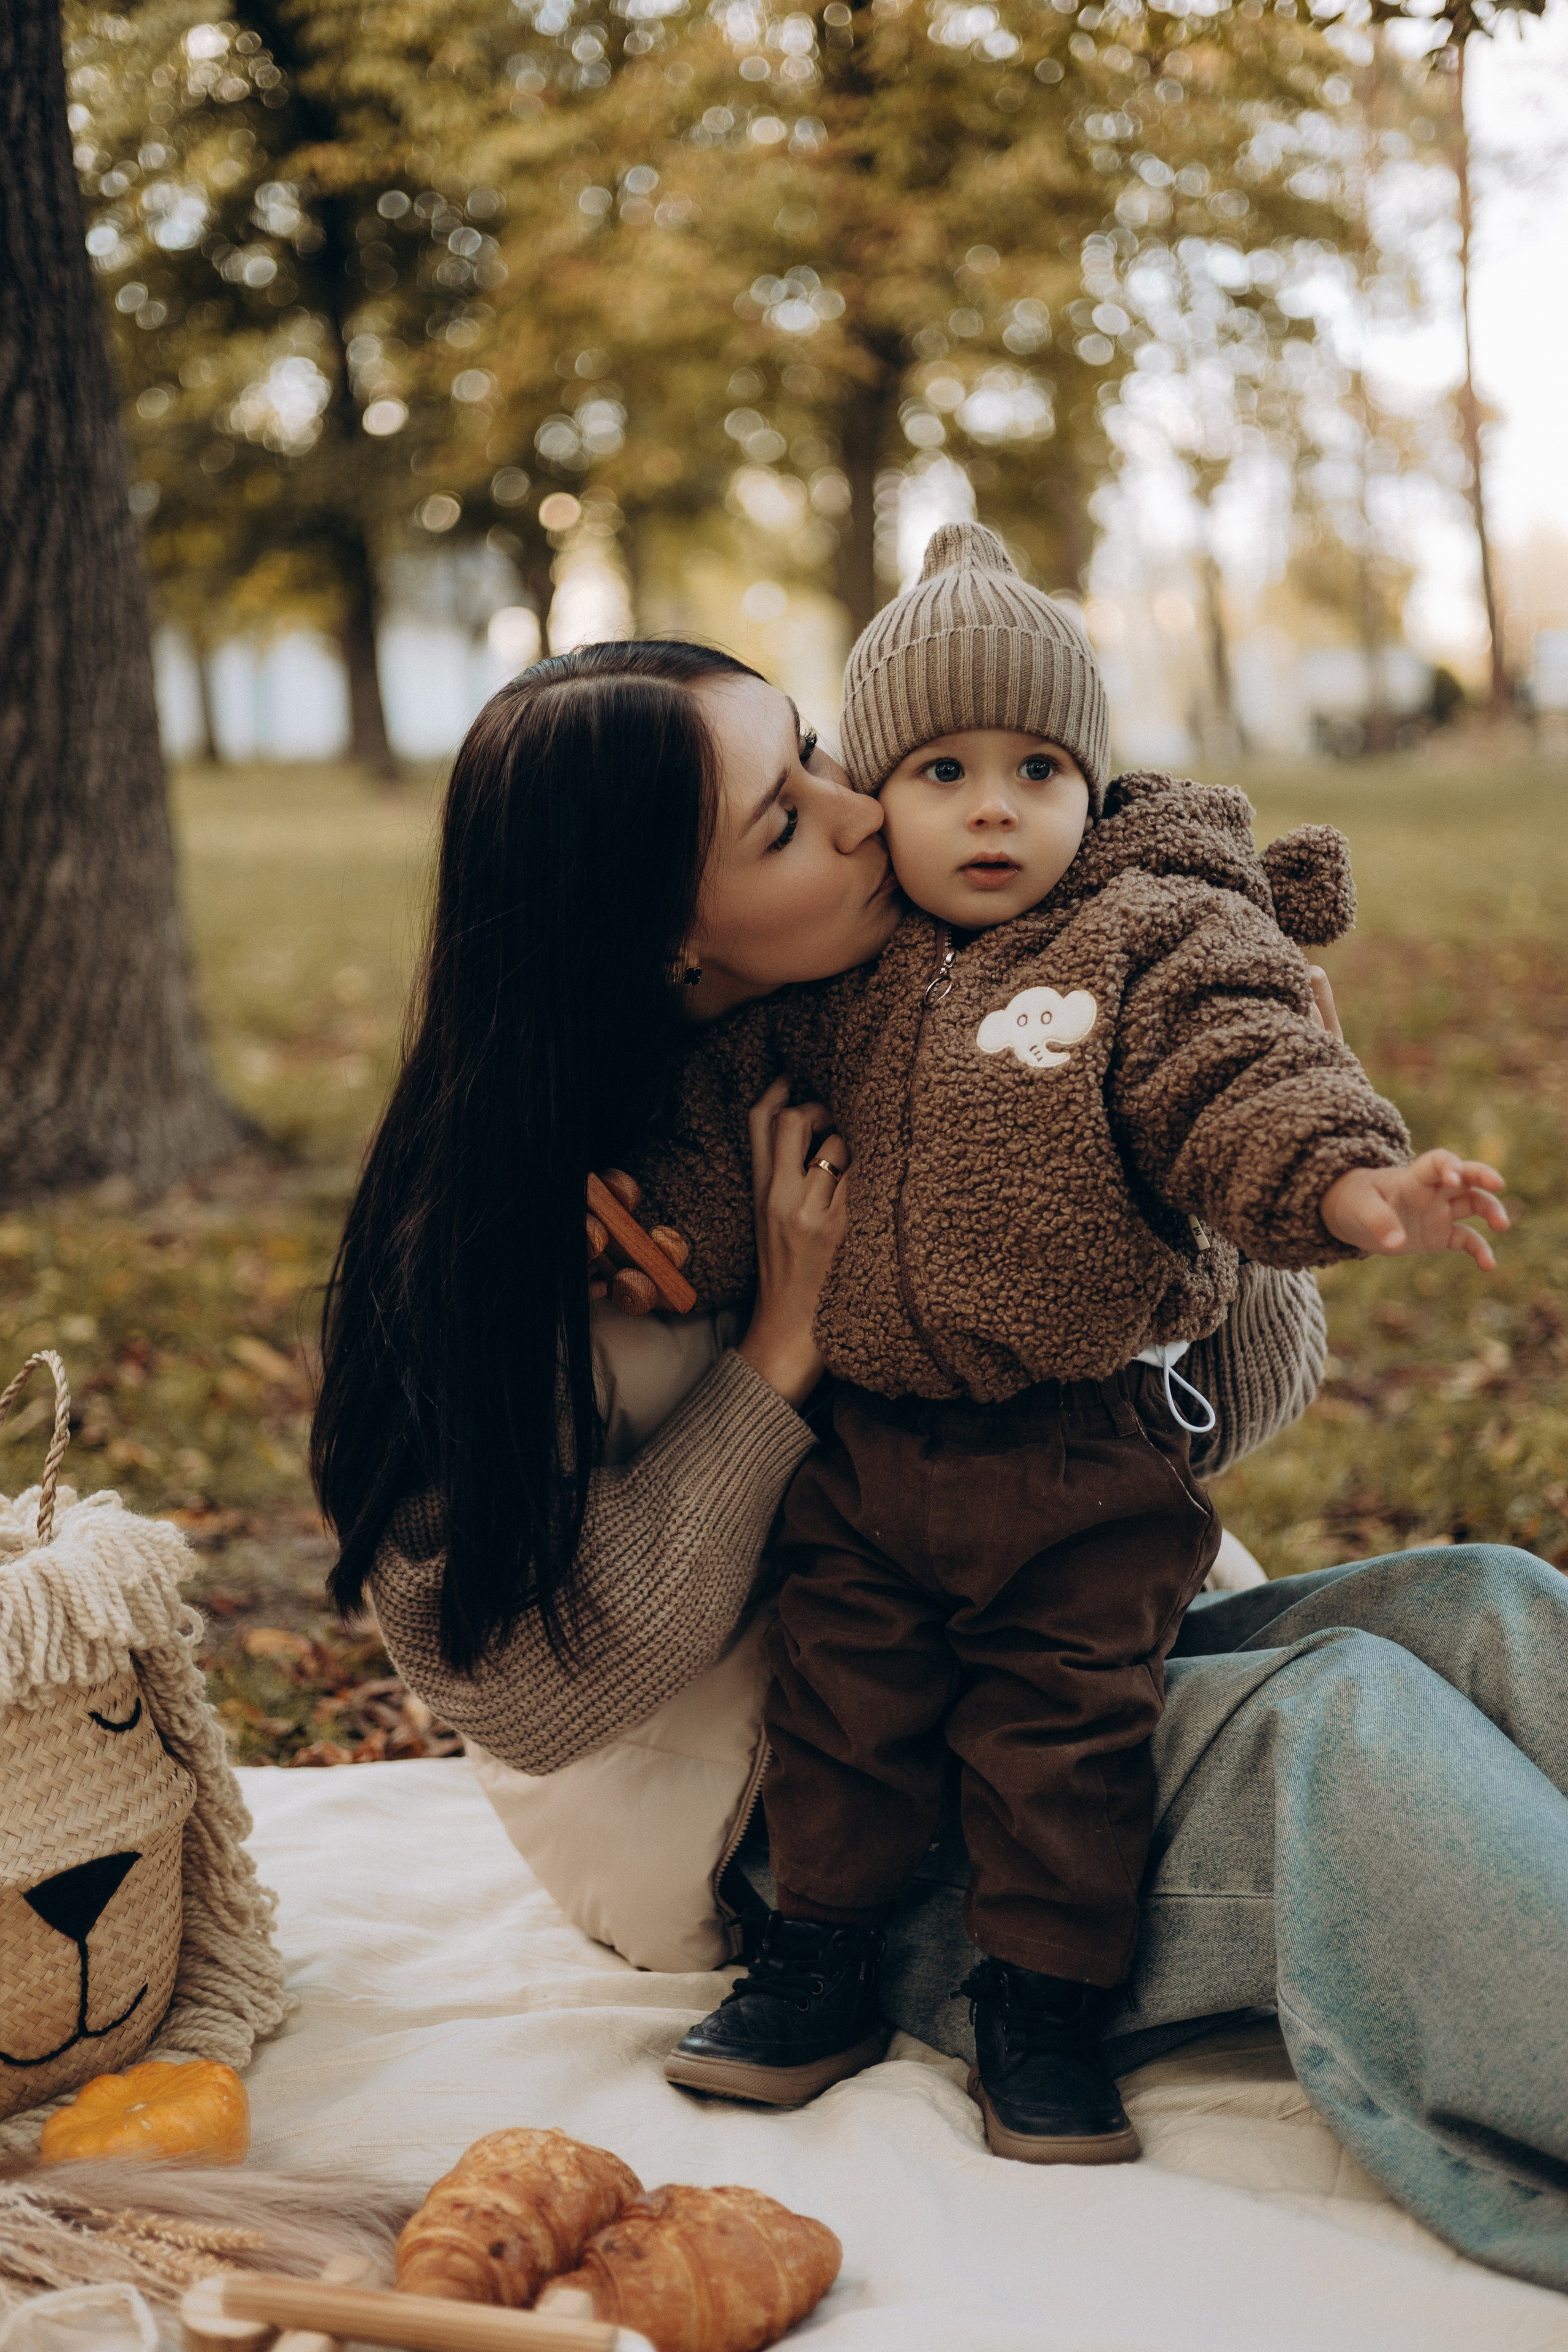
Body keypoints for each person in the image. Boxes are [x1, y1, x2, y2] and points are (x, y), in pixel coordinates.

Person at [312, 636, 1568, 2291]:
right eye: (782, 823)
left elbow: (1227, 1411)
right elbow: (522, 1693)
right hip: (820, 1826)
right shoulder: (525, 1235)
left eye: (823, 755)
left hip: (1046, 1653)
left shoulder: (935, 1022)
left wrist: (1197, 1192)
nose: (860, 816)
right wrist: (783, 1347)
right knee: (1342, 1722)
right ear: (663, 940)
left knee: (1487, 1605)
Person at [633, 525, 1508, 2165]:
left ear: (1093, 789)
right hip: (874, 1454)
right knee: (843, 1713)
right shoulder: (846, 967)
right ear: (874, 790)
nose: (990, 807)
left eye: (1039, 768)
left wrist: (1355, 1183)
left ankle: (1042, 2008)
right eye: (942, 767)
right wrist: (656, 1227)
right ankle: (815, 1965)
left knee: (1067, 1740)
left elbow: (1243, 1075)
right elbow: (725, 1112)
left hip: (1082, 1456)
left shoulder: (1152, 938)